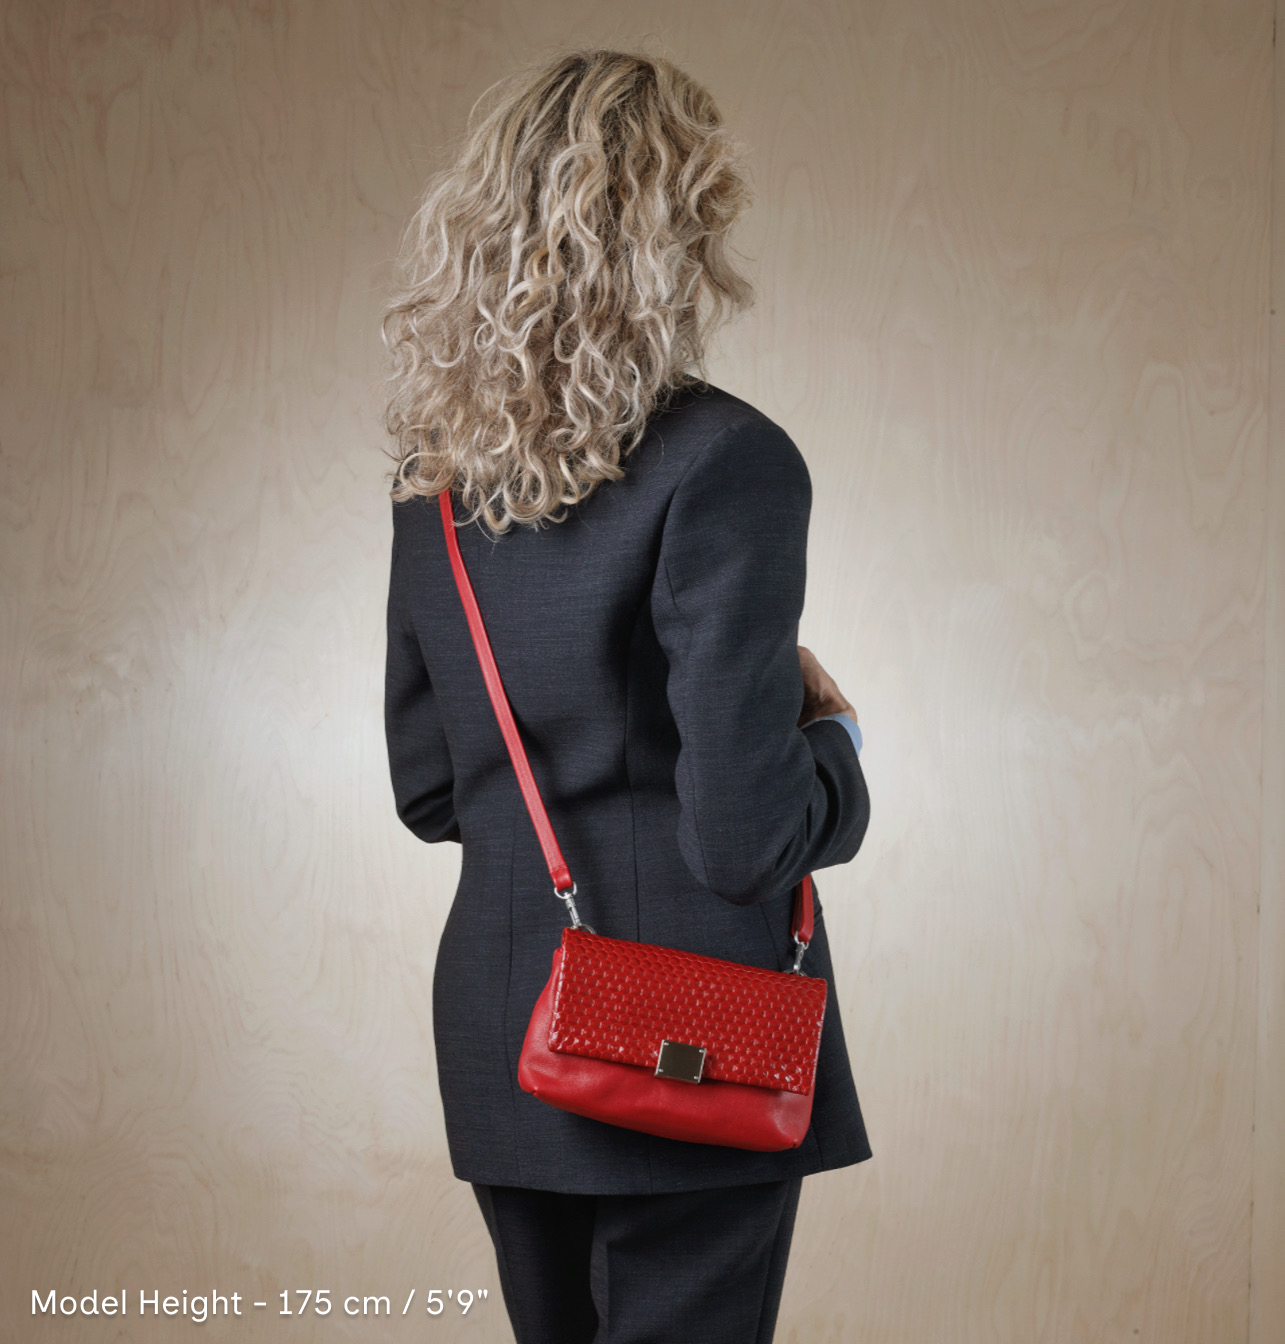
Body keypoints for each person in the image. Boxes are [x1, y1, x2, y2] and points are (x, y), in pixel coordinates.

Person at [381, 49, 871, 1344]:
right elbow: (743, 840)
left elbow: (431, 792)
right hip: (692, 1040)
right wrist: (837, 745)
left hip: (505, 1029)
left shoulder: (437, 486)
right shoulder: (729, 462)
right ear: (679, 236)